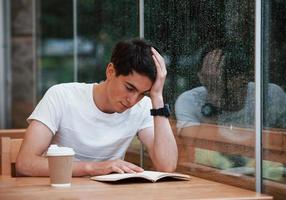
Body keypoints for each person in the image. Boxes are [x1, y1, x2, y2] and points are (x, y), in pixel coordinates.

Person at [16, 39, 178, 176]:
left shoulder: (143, 106)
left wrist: (157, 97)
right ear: (110, 71)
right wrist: (93, 168)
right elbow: (25, 162)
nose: (133, 100)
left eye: (143, 93)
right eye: (129, 88)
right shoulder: (62, 96)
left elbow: (167, 167)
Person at [175, 42, 286, 131]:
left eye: (230, 75)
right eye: (213, 76)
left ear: (245, 77)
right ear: (202, 77)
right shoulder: (189, 102)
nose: (219, 82)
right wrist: (213, 99)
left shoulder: (270, 95)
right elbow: (198, 149)